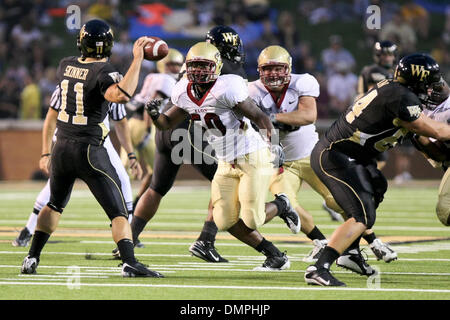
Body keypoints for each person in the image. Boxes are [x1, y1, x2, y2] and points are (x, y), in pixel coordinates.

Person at [20, 19, 163, 278]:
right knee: (118, 211)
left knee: (54, 205)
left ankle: (32, 257)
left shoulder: (65, 65)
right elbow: (121, 95)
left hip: (61, 147)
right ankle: (130, 262)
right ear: (107, 45)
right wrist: (138, 59)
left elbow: (56, 111)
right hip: (89, 150)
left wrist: (45, 152)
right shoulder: (103, 71)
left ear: (82, 43)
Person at [145, 41, 300, 270]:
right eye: (194, 66)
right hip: (225, 161)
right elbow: (166, 124)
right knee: (224, 219)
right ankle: (274, 255)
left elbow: (260, 117)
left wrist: (273, 144)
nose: (197, 71)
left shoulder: (228, 87)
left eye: (203, 65)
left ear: (216, 67)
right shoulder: (183, 91)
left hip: (251, 156)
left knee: (252, 218)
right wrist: (155, 115)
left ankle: (281, 204)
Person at [304, 53, 450, 286]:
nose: (432, 89)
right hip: (337, 156)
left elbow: (422, 139)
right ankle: (319, 267)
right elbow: (434, 130)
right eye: (429, 83)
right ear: (418, 80)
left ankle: (350, 253)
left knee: (377, 186)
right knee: (362, 216)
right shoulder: (402, 97)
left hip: (355, 157)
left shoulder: (397, 91)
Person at [123, 25, 259, 264]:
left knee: (156, 188)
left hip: (165, 125)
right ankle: (206, 240)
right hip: (186, 129)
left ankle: (128, 240)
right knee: (224, 177)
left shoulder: (194, 58)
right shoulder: (225, 68)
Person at [13, 88, 137, 248]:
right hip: (86, 140)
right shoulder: (107, 82)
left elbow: (120, 121)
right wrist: (45, 153)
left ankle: (129, 235)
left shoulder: (72, 78)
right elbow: (120, 121)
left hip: (77, 139)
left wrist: (46, 152)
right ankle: (128, 239)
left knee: (56, 190)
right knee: (56, 191)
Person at [412, 78, 450, 226]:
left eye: (440, 85)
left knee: (445, 209)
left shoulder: (444, 111)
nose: (441, 88)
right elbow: (439, 158)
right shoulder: (420, 113)